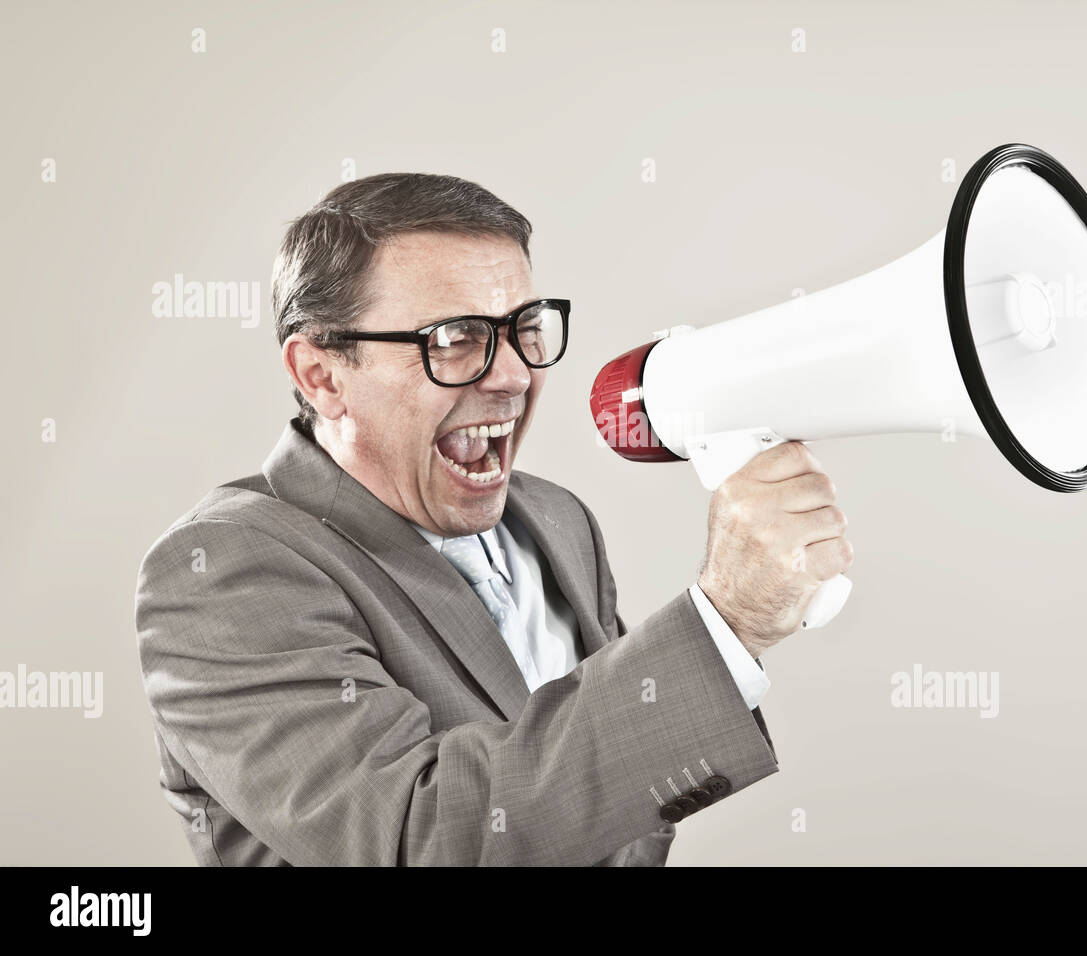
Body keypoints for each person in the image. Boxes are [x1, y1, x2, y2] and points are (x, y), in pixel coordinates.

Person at [133, 173, 852, 866]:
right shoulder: (223, 571)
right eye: (453, 339)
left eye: (524, 329)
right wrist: (724, 625)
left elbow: (621, 802)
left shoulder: (557, 520)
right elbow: (419, 837)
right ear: (322, 375)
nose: (513, 375)